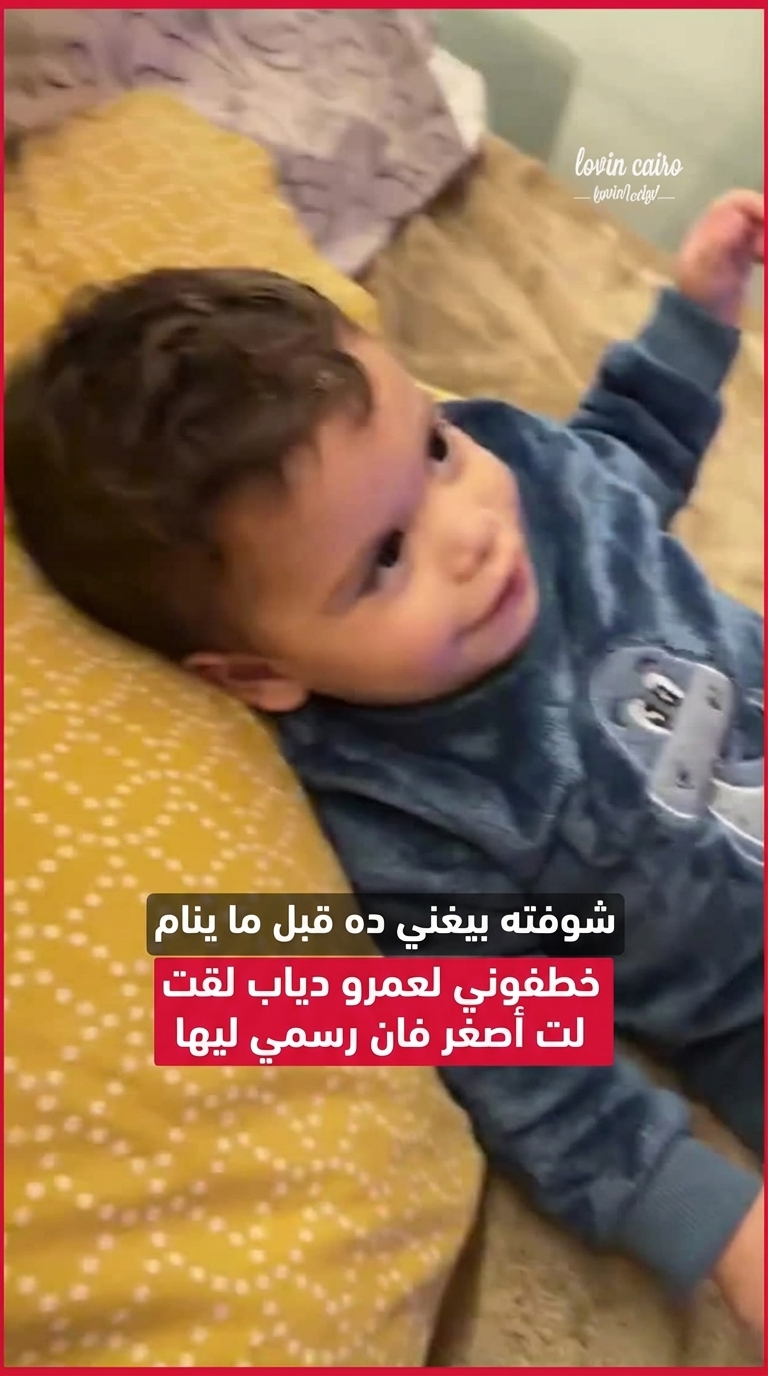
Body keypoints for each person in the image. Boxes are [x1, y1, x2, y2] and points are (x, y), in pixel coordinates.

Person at [5, 190, 764, 1343]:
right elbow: (527, 1060)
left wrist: (699, 313)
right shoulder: (402, 813)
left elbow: (618, 464)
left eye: (435, 447)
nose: (471, 528)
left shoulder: (513, 468)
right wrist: (731, 1231)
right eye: (386, 558)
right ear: (256, 671)